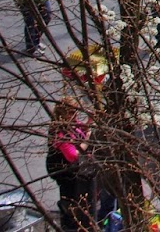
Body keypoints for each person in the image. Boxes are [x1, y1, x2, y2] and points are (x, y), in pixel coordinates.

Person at [46, 98, 97, 232]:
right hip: (67, 176)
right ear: (63, 114)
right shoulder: (59, 132)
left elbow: (80, 129)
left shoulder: (72, 124)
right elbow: (72, 155)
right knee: (71, 209)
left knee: (85, 208)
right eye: (71, 113)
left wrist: (89, 122)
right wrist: (86, 140)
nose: (75, 116)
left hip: (79, 174)